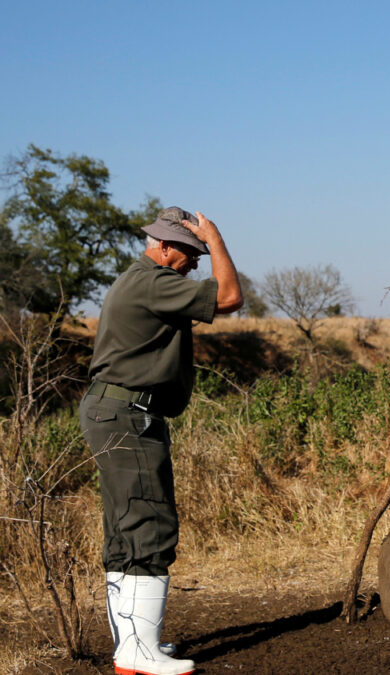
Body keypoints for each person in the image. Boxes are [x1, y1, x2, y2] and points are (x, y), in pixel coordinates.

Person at [80, 207, 242, 675]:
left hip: (115, 409)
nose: (195, 262)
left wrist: (205, 245)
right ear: (164, 246)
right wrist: (216, 240)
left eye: (199, 252)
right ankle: (137, 651)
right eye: (191, 252)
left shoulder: (142, 279)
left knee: (125, 528)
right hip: (127, 412)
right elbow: (230, 297)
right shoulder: (152, 281)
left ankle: (132, 645)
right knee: (148, 524)